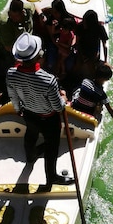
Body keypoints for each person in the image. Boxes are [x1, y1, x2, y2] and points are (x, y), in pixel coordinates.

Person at [6, 32, 75, 191]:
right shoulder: (48, 80)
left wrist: (18, 110)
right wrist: (63, 98)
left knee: (30, 134)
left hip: (28, 113)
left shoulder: (11, 74)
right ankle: (51, 176)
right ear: (38, 55)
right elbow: (58, 107)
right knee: (52, 146)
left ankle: (30, 157)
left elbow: (14, 97)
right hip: (49, 119)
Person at [0, 0, 35, 101]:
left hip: (28, 44)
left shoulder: (27, 9)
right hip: (11, 52)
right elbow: (8, 47)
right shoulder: (4, 23)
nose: (12, 18)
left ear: (22, 12)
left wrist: (42, 15)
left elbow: (34, 5)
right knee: (12, 72)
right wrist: (24, 58)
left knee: (42, 56)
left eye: (16, 16)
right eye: (11, 15)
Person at [71, 61, 113, 129]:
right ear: (105, 79)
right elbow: (109, 108)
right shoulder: (102, 94)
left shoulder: (85, 81)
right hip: (88, 111)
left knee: (78, 89)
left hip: (76, 105)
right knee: (100, 104)